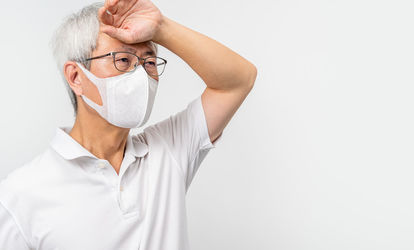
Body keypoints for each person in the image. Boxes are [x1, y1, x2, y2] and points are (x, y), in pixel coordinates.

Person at [0, 0, 257, 249]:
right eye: (123, 60)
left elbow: (237, 81)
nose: (141, 75)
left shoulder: (168, 151)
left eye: (149, 62)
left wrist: (161, 28)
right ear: (76, 76)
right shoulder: (20, 194)